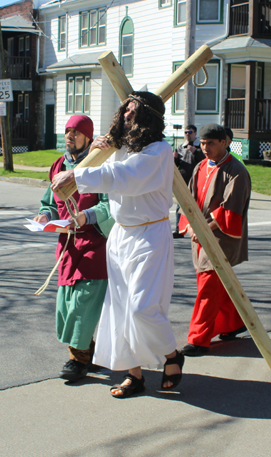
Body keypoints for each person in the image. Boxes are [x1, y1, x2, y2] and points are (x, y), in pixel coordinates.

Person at [51, 91, 184, 397]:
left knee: (141, 308)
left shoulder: (159, 151)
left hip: (150, 235)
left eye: (133, 110)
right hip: (120, 235)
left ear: (148, 116)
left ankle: (172, 355)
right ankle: (133, 375)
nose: (126, 114)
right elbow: (103, 166)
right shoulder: (120, 146)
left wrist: (77, 176)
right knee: (121, 309)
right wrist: (94, 150)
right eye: (125, 109)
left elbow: (125, 176)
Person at [34, 115, 113, 382]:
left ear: (88, 137)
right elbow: (49, 201)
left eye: (76, 132)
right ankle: (88, 351)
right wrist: (45, 215)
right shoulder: (58, 165)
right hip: (67, 245)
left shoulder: (99, 165)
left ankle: (77, 360)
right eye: (67, 131)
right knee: (67, 304)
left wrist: (84, 217)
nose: (70, 135)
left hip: (94, 243)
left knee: (83, 302)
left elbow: (109, 206)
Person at [178, 123, 251, 356]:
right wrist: (190, 224)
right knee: (217, 282)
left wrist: (203, 229)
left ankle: (199, 339)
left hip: (221, 236)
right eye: (203, 143)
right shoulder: (200, 166)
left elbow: (230, 210)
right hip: (199, 233)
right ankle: (234, 321)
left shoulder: (236, 171)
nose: (205, 147)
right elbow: (188, 199)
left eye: (211, 143)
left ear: (225, 142)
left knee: (207, 286)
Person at [173, 124, 204, 238]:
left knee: (198, 207)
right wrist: (175, 158)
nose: (187, 134)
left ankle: (200, 229)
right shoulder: (181, 147)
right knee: (180, 206)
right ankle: (179, 230)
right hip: (183, 181)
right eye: (186, 132)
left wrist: (196, 151)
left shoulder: (200, 146)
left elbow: (205, 160)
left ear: (195, 133)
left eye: (190, 132)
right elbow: (176, 166)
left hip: (197, 182)